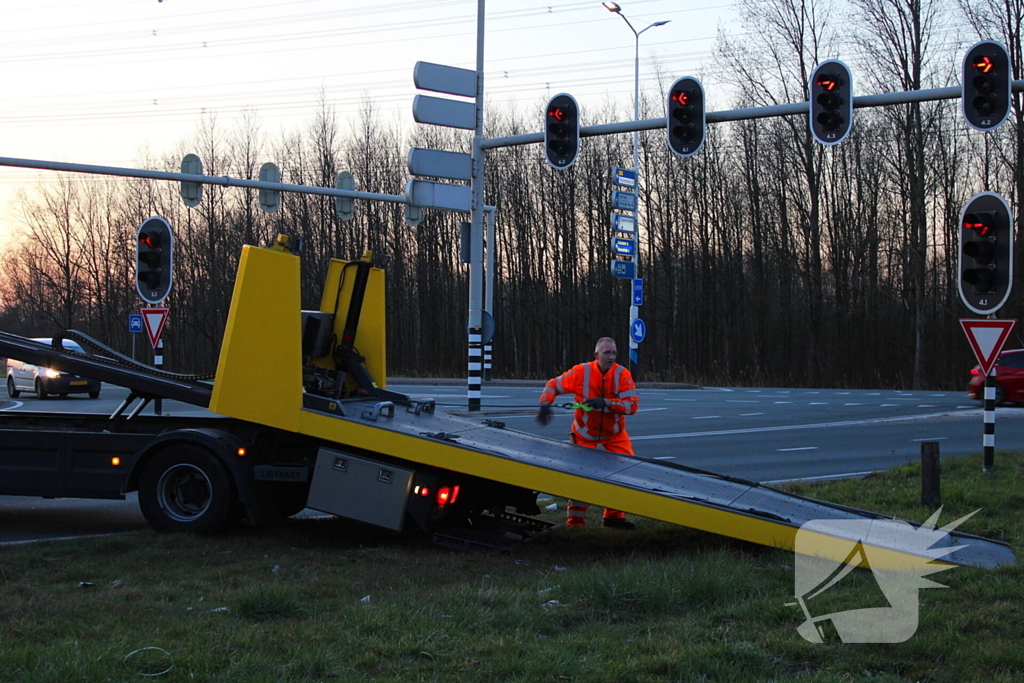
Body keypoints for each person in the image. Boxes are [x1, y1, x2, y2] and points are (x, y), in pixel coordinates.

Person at [536, 337, 638, 530]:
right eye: (607, 353)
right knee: (580, 477)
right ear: (596, 355)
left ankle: (614, 517)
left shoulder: (622, 375)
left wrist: (606, 403)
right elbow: (553, 385)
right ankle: (575, 523)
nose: (611, 357)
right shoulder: (582, 371)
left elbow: (632, 406)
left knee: (624, 473)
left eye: (614, 353)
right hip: (584, 434)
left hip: (614, 434)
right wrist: (545, 404)